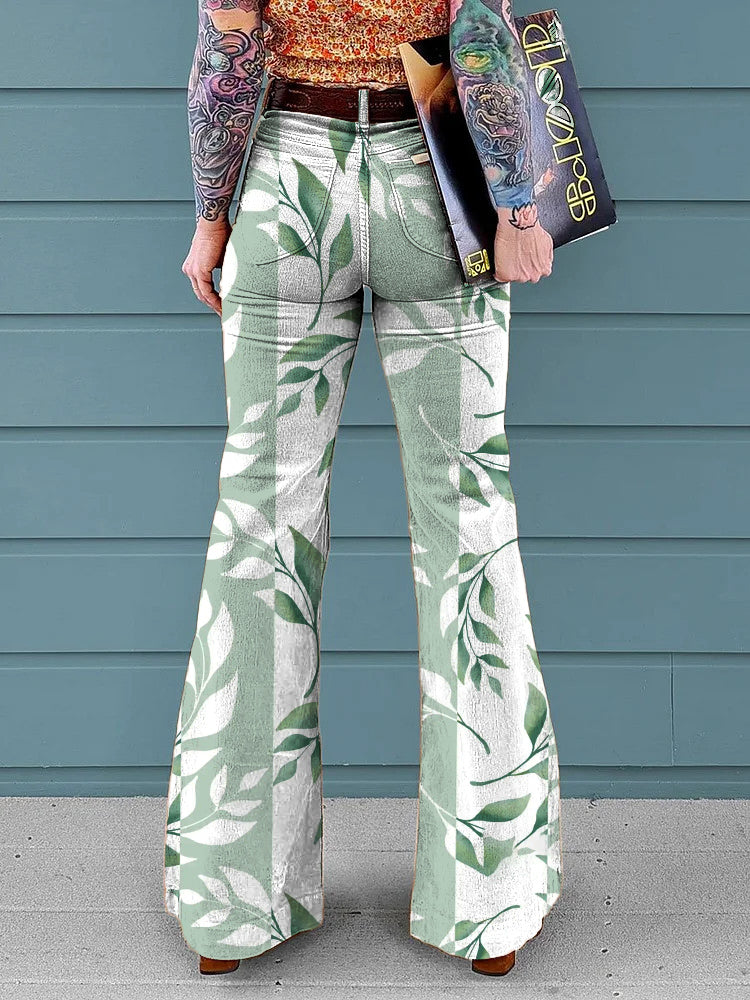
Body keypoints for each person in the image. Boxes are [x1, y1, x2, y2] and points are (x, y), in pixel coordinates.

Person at [163, 0, 562, 979]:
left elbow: (227, 51)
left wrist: (212, 218)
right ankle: (489, 904)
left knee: (260, 530)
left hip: (288, 178)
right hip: (438, 176)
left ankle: (232, 904)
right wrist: (518, 210)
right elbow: (479, 36)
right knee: (468, 523)